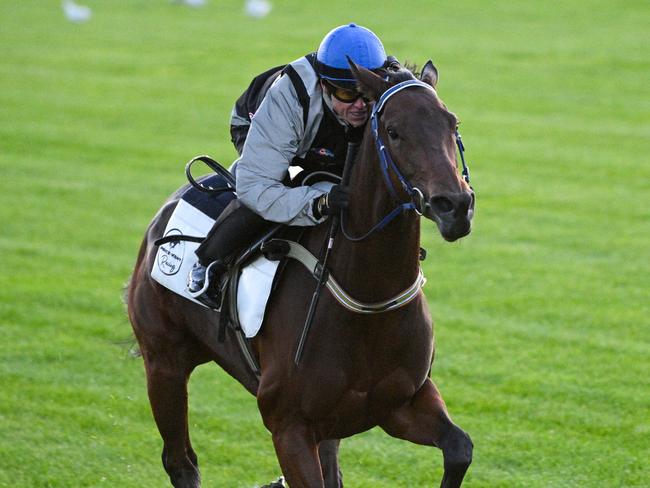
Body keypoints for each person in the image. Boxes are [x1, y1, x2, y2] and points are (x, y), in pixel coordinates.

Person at [187, 23, 394, 303]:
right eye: (347, 94)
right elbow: (257, 188)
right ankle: (207, 263)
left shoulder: (389, 86)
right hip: (262, 125)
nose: (359, 104)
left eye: (366, 94)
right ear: (324, 86)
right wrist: (318, 203)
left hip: (329, 137)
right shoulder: (289, 97)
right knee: (284, 186)